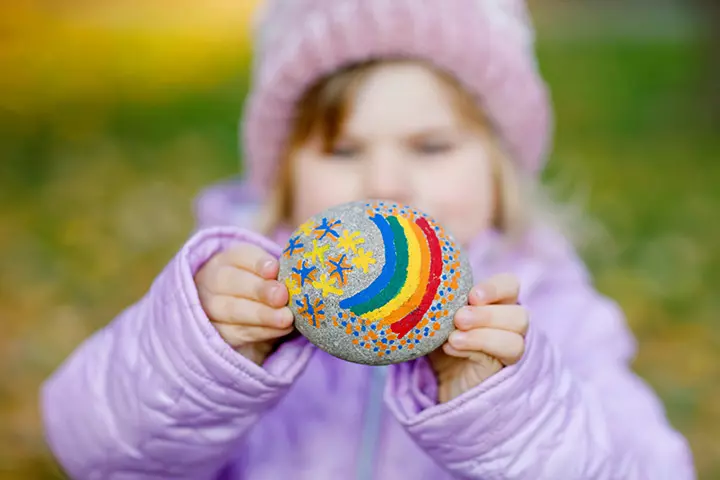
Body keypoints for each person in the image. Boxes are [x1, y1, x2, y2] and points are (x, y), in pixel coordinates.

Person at [41, 0, 696, 478]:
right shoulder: (231, 295)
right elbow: (88, 449)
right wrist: (205, 355)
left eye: (431, 146)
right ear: (285, 177)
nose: (384, 182)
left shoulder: (553, 314)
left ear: (501, 175)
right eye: (343, 148)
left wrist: (501, 408)